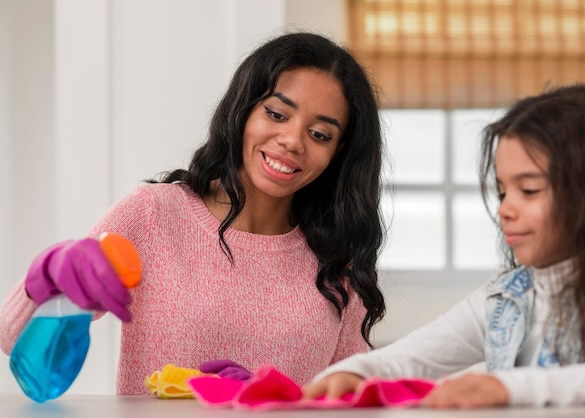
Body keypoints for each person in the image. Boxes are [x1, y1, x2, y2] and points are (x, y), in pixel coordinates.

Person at [0, 32, 386, 395]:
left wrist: (270, 399)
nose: (291, 141)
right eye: (277, 114)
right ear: (244, 109)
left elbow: (347, 399)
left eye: (320, 134)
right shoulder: (153, 215)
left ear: (339, 154)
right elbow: (13, 340)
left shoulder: (338, 256)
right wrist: (45, 279)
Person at [303, 84, 585, 408]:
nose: (505, 210)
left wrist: (512, 388)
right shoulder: (504, 298)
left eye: (529, 190)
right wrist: (356, 372)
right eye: (502, 192)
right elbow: (407, 359)